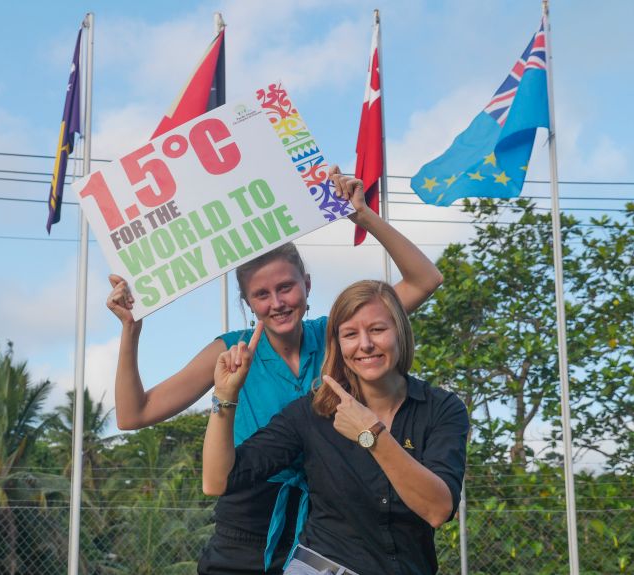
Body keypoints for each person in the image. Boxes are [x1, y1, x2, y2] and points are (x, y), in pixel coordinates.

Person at [106, 167, 443, 574]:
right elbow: (133, 414)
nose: (277, 302)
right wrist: (130, 330)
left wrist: (362, 216)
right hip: (247, 522)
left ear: (307, 284)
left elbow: (425, 279)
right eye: (261, 294)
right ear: (248, 303)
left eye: (286, 287)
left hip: (329, 525)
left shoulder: (340, 336)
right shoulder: (230, 350)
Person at [203, 280, 469, 575]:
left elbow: (437, 509)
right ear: (338, 345)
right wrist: (225, 397)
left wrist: (372, 436)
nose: (365, 344)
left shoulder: (441, 409)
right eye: (350, 334)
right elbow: (217, 481)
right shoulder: (314, 412)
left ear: (401, 333)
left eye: (378, 330)